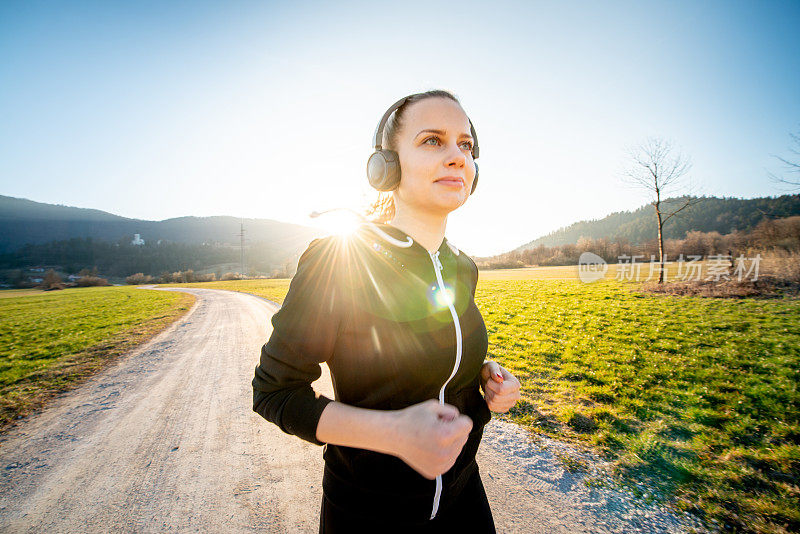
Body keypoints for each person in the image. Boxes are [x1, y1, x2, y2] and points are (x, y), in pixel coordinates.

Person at [252, 90, 521, 533]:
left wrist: (486, 377)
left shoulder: (463, 266)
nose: (457, 156)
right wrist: (394, 433)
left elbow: (437, 361)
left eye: (466, 145)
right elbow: (274, 393)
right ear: (386, 167)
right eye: (433, 140)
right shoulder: (338, 259)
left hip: (464, 501)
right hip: (366, 513)